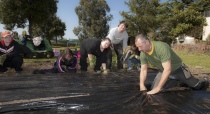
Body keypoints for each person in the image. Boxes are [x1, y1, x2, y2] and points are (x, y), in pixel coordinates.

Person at [135, 34, 209, 95]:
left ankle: (205, 80)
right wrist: (142, 84)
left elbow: (168, 69)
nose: (139, 49)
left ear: (147, 42)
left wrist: (158, 88)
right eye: (137, 47)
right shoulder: (143, 53)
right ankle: (176, 82)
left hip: (178, 69)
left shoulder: (161, 48)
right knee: (154, 91)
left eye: (140, 46)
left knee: (196, 85)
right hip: (163, 71)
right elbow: (143, 70)